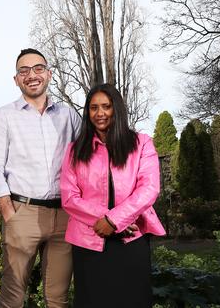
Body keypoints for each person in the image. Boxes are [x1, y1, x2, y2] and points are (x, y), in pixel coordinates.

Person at [0, 48, 81, 308]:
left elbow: (86, 160)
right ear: (16, 79)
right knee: (13, 297)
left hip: (63, 216)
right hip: (21, 212)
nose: (31, 75)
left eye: (38, 68)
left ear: (49, 74)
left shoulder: (69, 116)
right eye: (23, 70)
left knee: (58, 299)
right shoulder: (3, 116)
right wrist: (9, 214)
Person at [59, 83, 166, 308]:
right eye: (93, 107)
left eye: (106, 107)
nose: (100, 113)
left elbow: (149, 188)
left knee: (133, 300)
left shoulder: (141, 143)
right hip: (88, 240)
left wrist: (114, 220)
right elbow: (69, 197)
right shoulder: (75, 150)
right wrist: (104, 220)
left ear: (116, 109)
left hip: (131, 236)